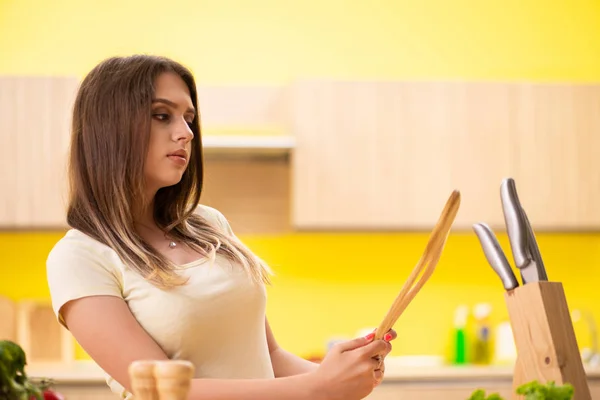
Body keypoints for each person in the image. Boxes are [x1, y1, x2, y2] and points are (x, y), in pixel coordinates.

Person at [45, 54, 396, 400]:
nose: (185, 133)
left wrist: (342, 376)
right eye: (162, 116)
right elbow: (165, 391)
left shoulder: (210, 225)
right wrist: (318, 388)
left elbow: (270, 358)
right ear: (110, 128)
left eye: (189, 118)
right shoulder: (79, 258)